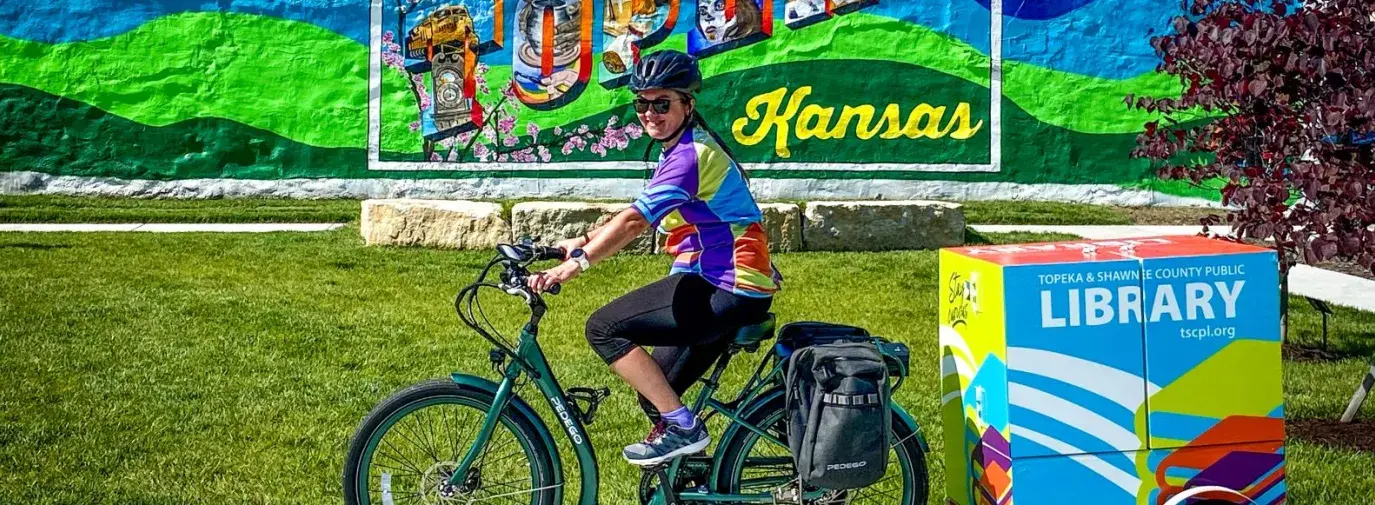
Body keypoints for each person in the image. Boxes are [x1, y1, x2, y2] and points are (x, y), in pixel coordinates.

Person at [526, 49, 782, 467]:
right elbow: (636, 211)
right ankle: (697, 478)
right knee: (656, 394)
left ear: (688, 104)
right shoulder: (681, 150)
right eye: (642, 103)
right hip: (728, 281)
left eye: (662, 103)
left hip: (726, 284)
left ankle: (685, 428)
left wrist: (577, 263)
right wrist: (575, 241)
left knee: (604, 328)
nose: (650, 113)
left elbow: (633, 222)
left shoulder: (690, 158)